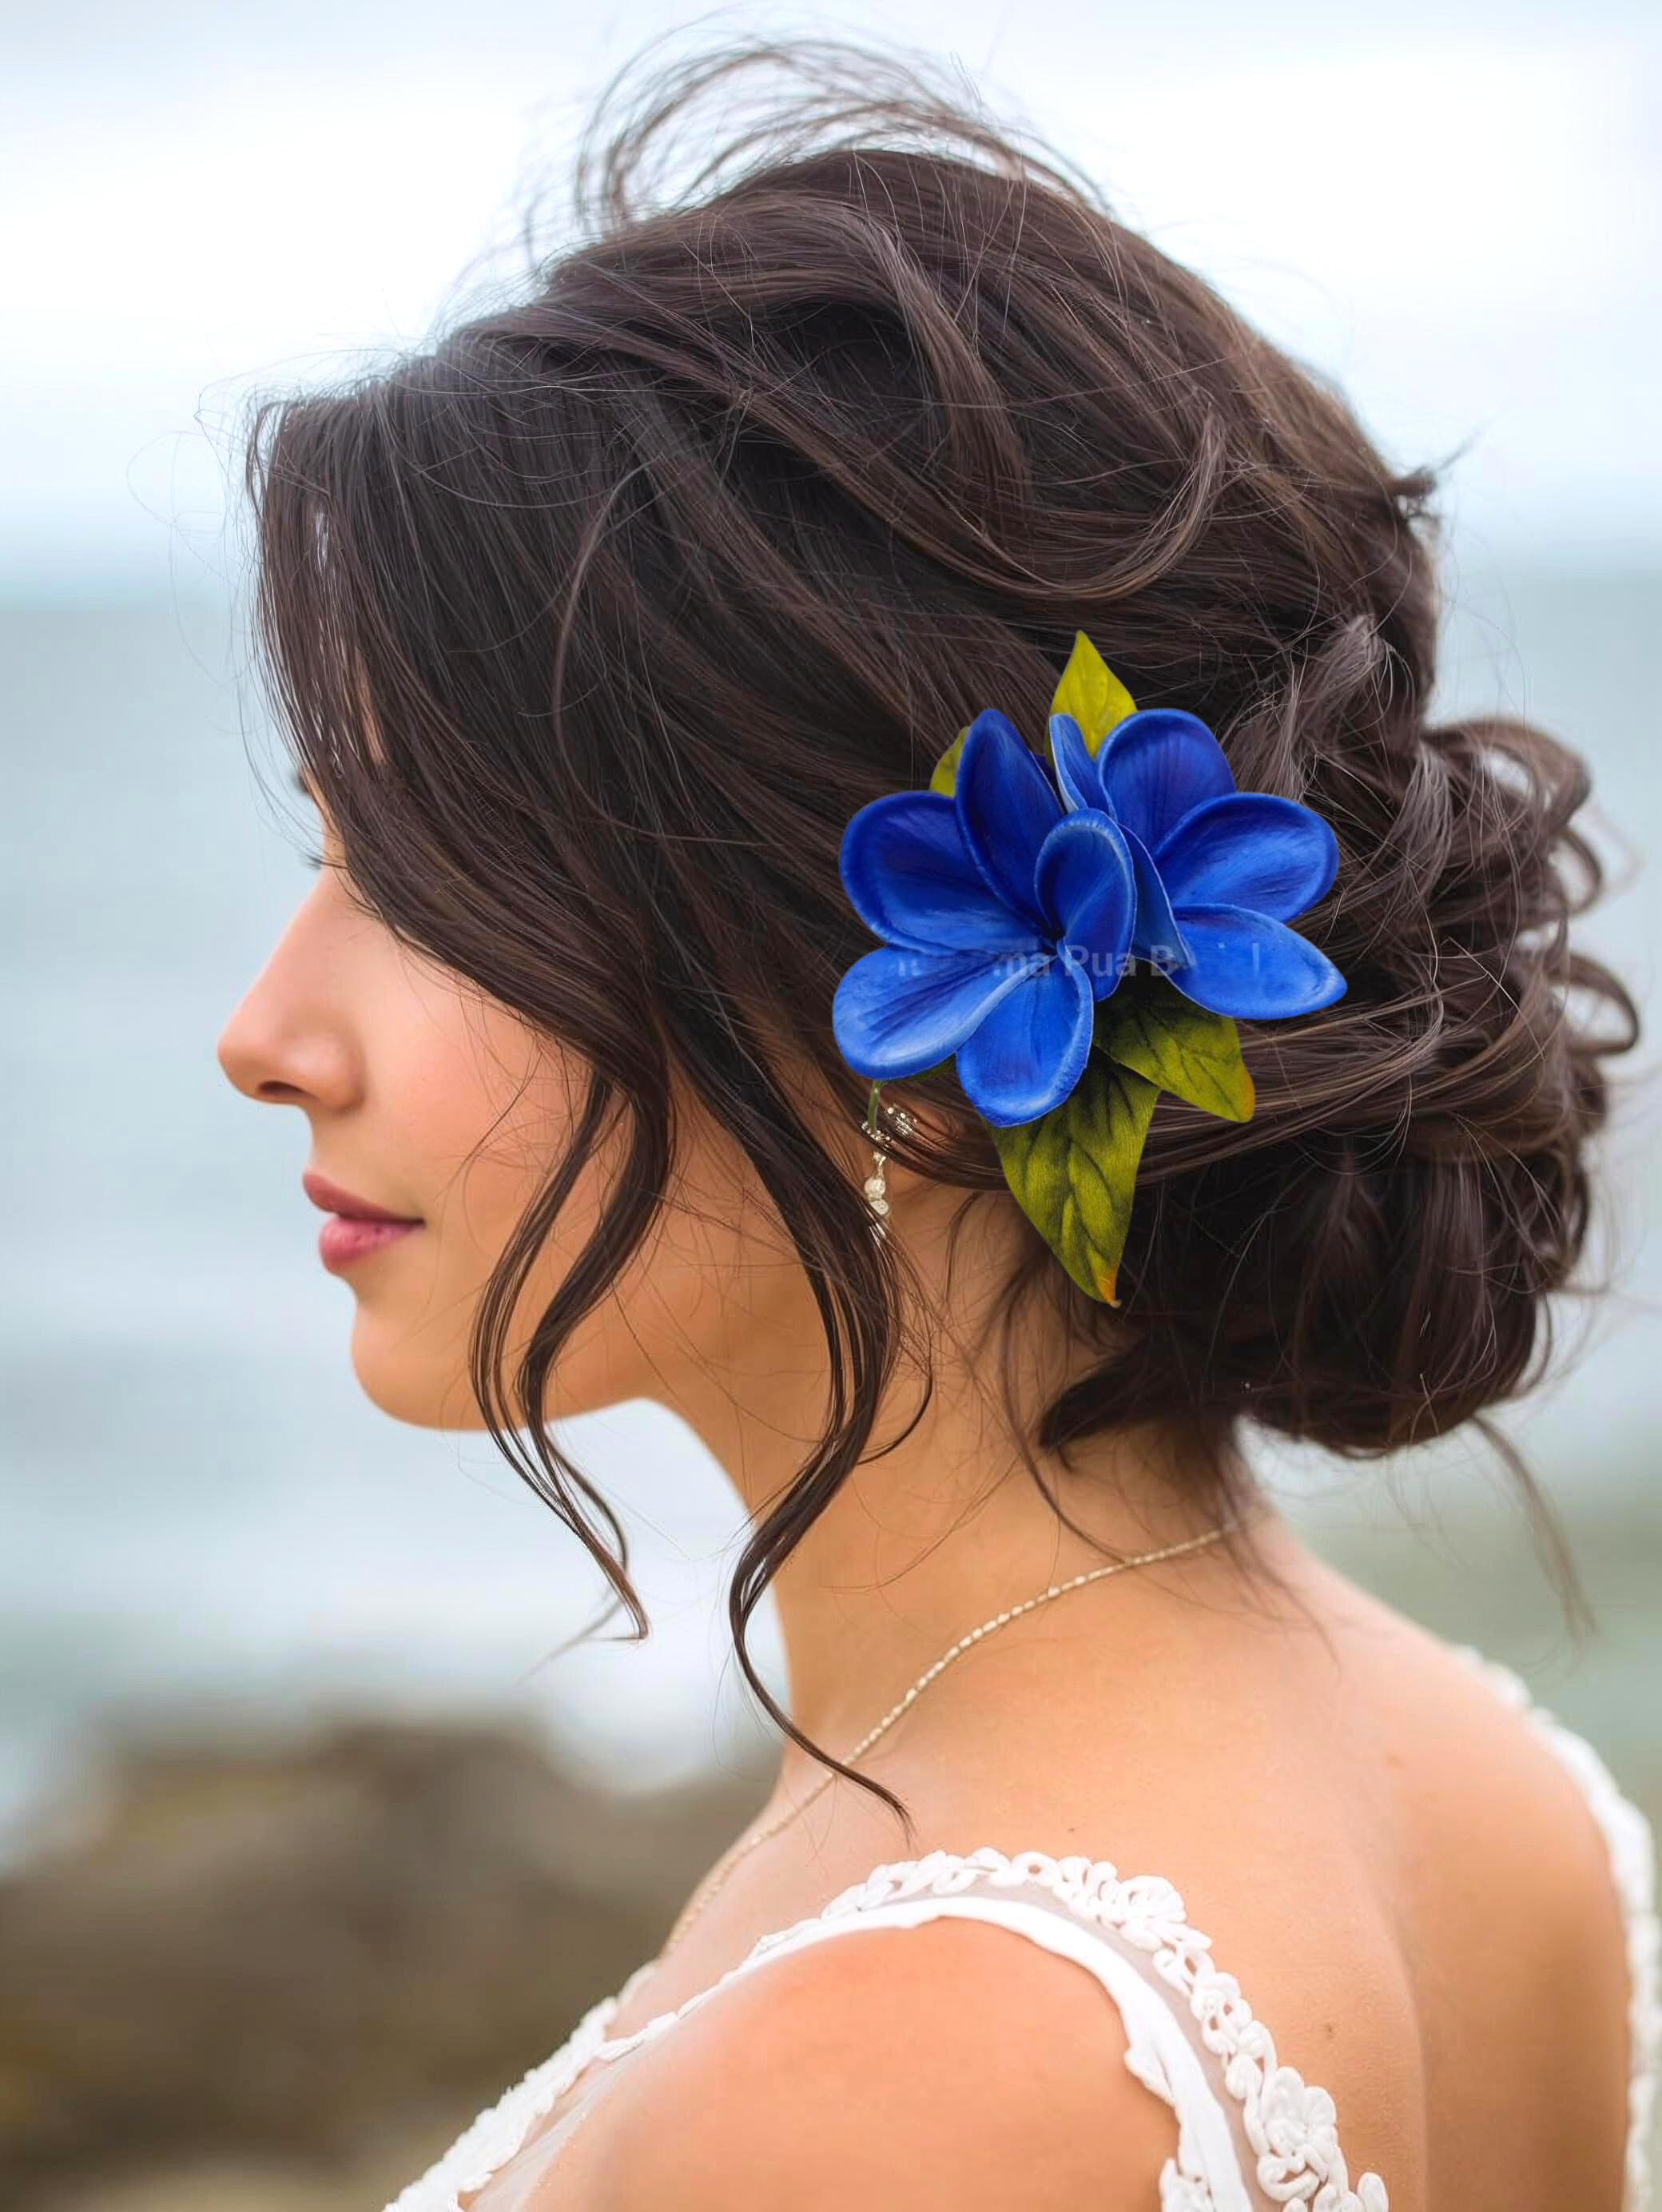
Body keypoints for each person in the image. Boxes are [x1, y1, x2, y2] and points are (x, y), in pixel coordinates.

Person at [216, 37, 1658, 2212]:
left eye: (411, 875)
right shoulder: (1485, 1789)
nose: (262, 1030)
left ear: (892, 964)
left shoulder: (903, 2089)